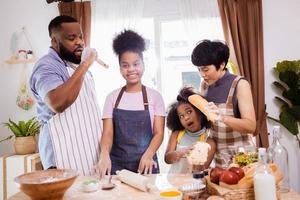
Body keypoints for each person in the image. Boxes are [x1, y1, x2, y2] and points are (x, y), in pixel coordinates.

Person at [30, 15, 102, 175]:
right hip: (63, 154)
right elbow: (57, 103)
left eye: (81, 37)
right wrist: (85, 64)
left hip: (90, 153)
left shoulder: (78, 67)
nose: (80, 42)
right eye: (72, 38)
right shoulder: (46, 66)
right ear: (54, 41)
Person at [96, 30, 166, 178]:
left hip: (146, 164)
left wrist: (149, 155)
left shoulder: (155, 97)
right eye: (125, 65)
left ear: (143, 63)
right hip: (117, 167)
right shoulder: (112, 98)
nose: (131, 69)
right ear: (120, 68)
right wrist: (104, 155)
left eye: (136, 64)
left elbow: (159, 133)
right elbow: (107, 133)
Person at [191, 39, 256, 167]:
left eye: (205, 69)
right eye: (199, 69)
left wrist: (221, 117)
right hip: (219, 158)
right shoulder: (204, 85)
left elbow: (250, 126)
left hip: (242, 157)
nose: (202, 74)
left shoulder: (240, 84)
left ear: (221, 65)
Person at [165, 86, 216, 173]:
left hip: (194, 184)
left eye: (189, 112)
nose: (186, 118)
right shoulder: (177, 134)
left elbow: (200, 170)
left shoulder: (209, 142)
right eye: (181, 116)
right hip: (174, 181)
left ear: (199, 111)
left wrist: (197, 155)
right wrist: (181, 153)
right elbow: (167, 159)